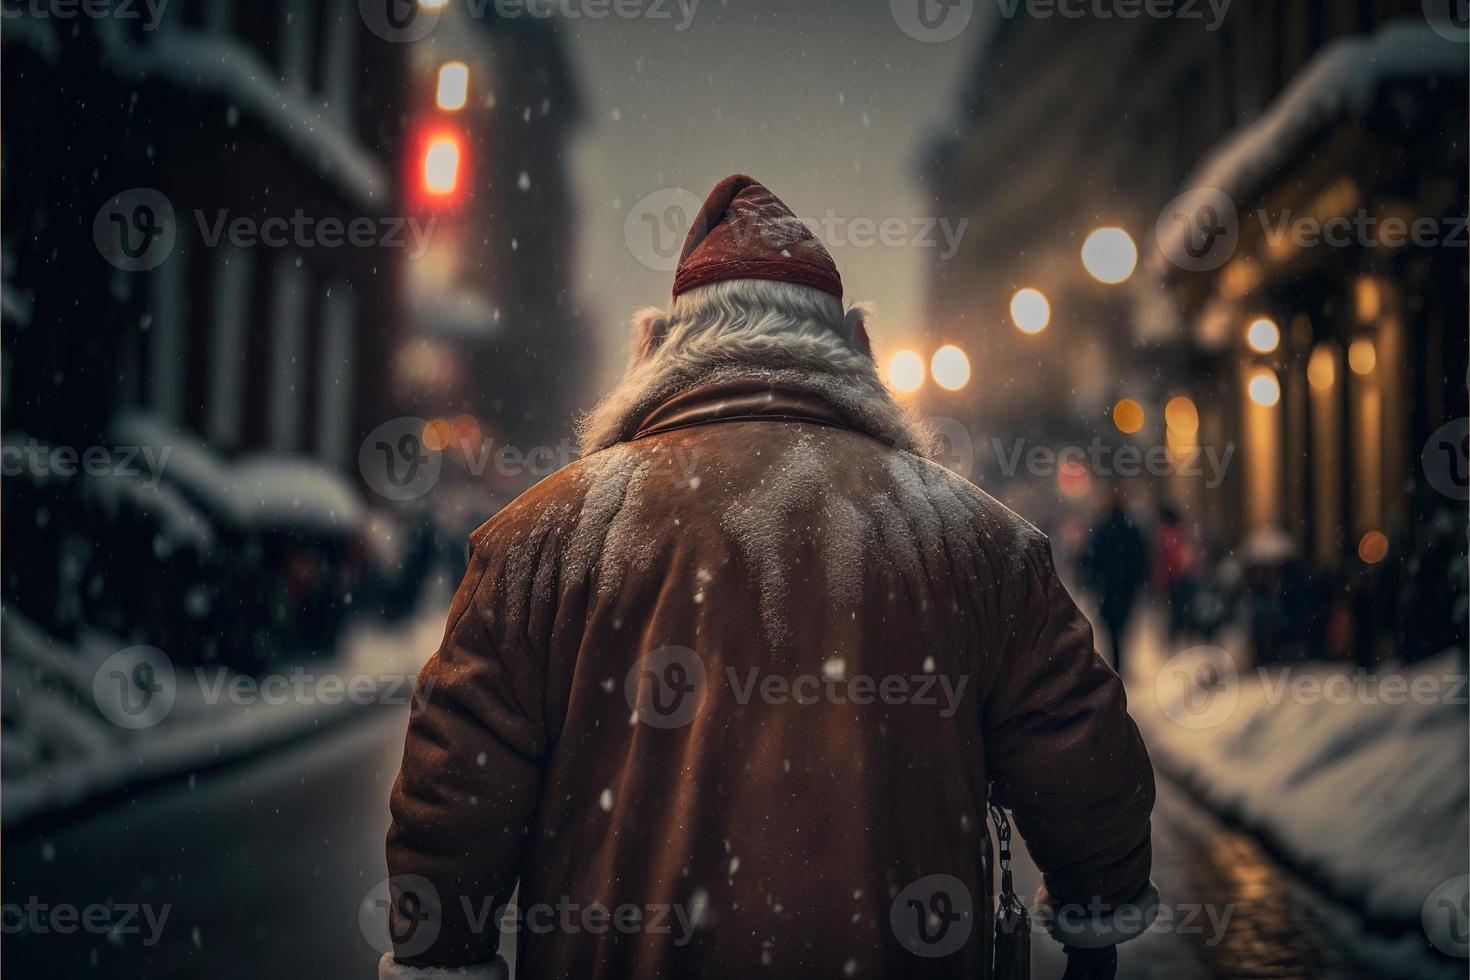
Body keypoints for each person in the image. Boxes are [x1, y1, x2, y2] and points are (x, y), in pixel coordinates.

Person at [381, 175, 1157, 979]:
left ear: (655, 353)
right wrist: (1093, 934)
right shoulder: (975, 540)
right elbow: (1085, 751)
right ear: (854, 349)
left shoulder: (544, 539)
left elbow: (452, 799)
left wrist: (444, 954)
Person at [1081, 485, 1150, 676]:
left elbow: (1092, 557)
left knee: (1113, 627)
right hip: (1121, 588)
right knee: (1120, 626)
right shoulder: (1128, 528)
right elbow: (1140, 557)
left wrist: (1093, 580)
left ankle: (1117, 662)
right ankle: (1118, 662)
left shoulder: (1103, 528)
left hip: (1109, 588)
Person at [1153, 504, 1199, 643]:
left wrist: (1165, 579)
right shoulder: (1179, 534)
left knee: (1176, 611)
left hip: (1175, 580)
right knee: (1180, 611)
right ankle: (1182, 635)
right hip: (1179, 579)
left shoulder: (1168, 536)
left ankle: (1178, 636)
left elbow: (1171, 561)